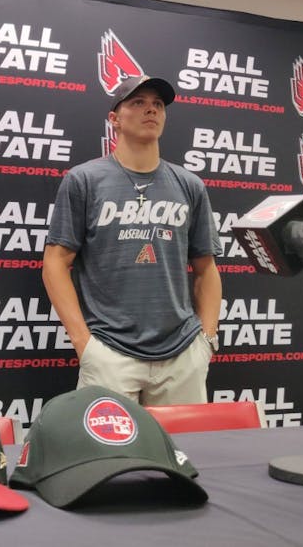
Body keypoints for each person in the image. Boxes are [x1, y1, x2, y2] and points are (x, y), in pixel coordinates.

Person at [42, 75, 222, 405]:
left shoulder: (189, 185)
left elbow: (206, 267)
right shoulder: (85, 180)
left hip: (182, 354)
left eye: (157, 105)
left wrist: (206, 340)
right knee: (109, 454)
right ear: (114, 119)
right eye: (137, 103)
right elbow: (55, 263)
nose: (150, 110)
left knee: (184, 454)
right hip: (110, 352)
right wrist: (84, 344)